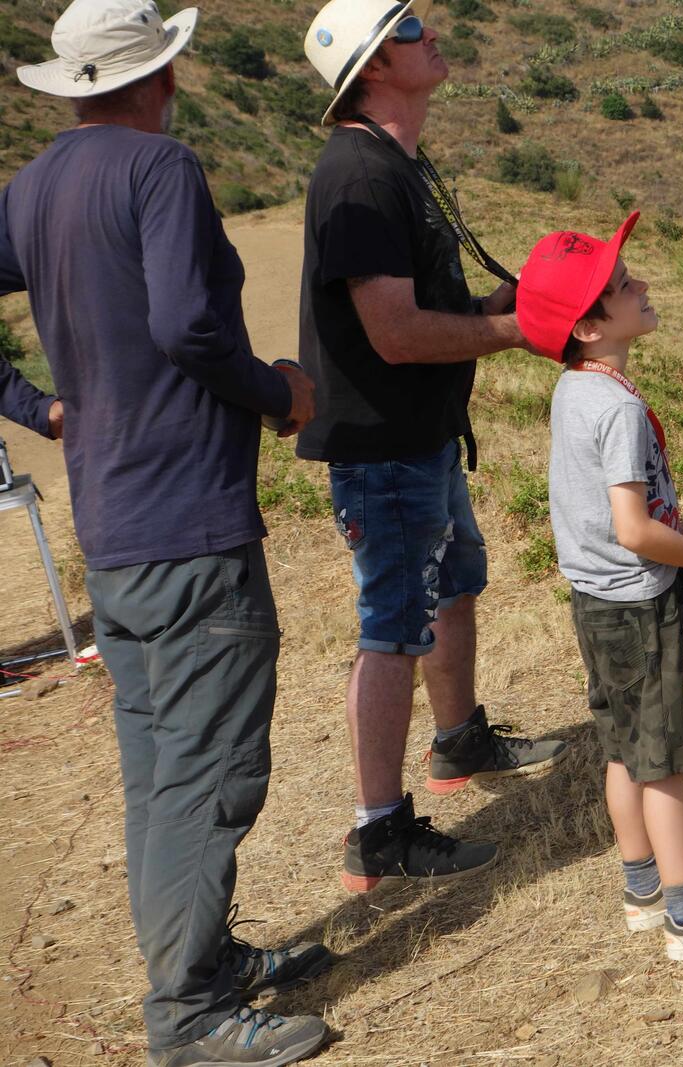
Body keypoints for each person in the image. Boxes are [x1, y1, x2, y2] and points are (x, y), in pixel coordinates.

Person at [0, 1, 331, 1063]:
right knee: (210, 768)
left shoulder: (33, 187)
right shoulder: (161, 169)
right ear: (164, 75)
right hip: (189, 518)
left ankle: (200, 961)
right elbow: (188, 324)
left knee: (160, 768)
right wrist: (277, 393)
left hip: (113, 522)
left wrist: (35, 406)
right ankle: (187, 1014)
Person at [299, 0, 567, 894]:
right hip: (383, 446)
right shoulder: (357, 176)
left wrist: (502, 306)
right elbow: (397, 333)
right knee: (392, 629)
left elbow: (431, 310)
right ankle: (379, 831)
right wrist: (517, 332)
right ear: (375, 66)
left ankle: (459, 741)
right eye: (410, 26)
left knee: (453, 586)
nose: (433, 30)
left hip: (422, 433)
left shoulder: (396, 165)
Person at [516, 214, 683, 960]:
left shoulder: (576, 389)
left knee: (622, 747)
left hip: (594, 602)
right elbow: (633, 532)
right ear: (590, 325)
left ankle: (643, 890)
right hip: (637, 606)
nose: (641, 285)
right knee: (662, 761)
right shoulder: (622, 408)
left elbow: (605, 511)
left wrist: (673, 523)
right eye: (621, 284)